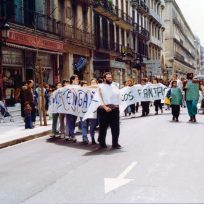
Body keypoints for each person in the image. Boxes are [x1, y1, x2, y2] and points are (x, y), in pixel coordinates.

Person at [97, 72, 121, 149]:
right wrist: (104, 107)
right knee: (103, 128)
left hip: (114, 110)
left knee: (116, 127)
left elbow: (118, 96)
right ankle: (102, 142)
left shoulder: (114, 86)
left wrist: (117, 105)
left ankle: (115, 143)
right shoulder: (100, 86)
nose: (110, 78)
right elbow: (98, 98)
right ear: (104, 78)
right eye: (108, 77)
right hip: (104, 110)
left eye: (110, 77)